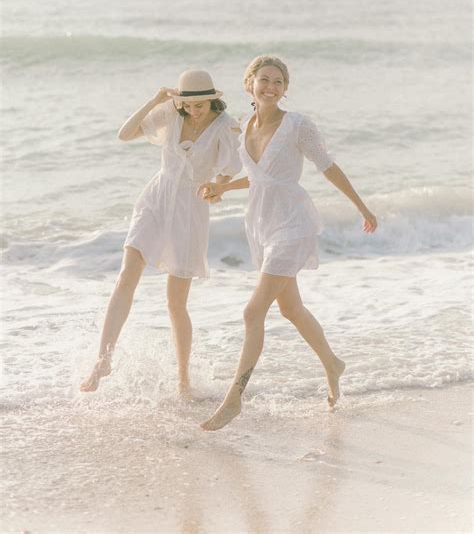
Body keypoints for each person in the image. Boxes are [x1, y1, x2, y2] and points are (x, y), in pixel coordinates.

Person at [198, 55, 377, 430]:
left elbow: (326, 166)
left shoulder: (298, 125)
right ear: (250, 83)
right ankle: (332, 363)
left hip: (293, 224)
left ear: (285, 88)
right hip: (261, 225)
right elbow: (258, 177)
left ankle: (234, 398)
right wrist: (221, 187)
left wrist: (361, 206)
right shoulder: (245, 125)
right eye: (264, 79)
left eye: (278, 82)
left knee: (252, 312)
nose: (271, 87)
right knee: (291, 310)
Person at [80, 69, 241, 396]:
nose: (193, 110)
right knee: (126, 275)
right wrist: (156, 99)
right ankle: (103, 360)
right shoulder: (170, 112)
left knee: (175, 302)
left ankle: (183, 378)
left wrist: (217, 189)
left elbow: (228, 172)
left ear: (213, 100)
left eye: (200, 104)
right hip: (156, 198)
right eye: (187, 104)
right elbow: (125, 134)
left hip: (190, 209)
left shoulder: (226, 128)